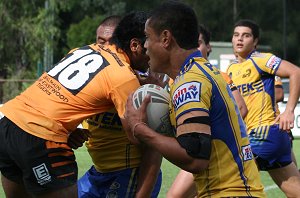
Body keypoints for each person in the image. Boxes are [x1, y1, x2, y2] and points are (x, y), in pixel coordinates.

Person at [0, 11, 161, 198]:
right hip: (41, 138)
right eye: (149, 46)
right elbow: (135, 135)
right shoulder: (123, 76)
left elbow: (60, 95)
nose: (151, 53)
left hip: (7, 124)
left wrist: (68, 128)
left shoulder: (83, 50)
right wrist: (157, 101)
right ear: (135, 45)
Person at [125, 1, 265, 197]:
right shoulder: (200, 71)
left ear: (166, 38)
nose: (145, 46)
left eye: (148, 37)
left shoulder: (190, 82)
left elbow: (195, 158)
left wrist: (140, 128)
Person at [77, 14, 162, 198]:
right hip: (98, 172)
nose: (107, 49)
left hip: (127, 173)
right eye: (101, 42)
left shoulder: (136, 85)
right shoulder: (89, 76)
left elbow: (153, 147)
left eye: (112, 42)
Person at [167, 24, 248, 198]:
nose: (195, 48)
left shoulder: (219, 75)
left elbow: (241, 107)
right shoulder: (175, 80)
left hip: (208, 152)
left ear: (208, 47)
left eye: (199, 43)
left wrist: (216, 132)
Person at [227, 19, 300, 196]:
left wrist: (289, 111)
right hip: (266, 137)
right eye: (236, 35)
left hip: (263, 134)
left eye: (246, 35)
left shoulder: (261, 60)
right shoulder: (231, 69)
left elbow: (296, 71)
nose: (240, 39)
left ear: (255, 41)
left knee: (224, 179)